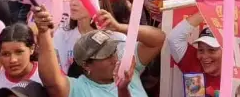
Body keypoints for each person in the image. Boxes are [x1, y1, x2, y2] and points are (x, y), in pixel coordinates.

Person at [34, 6, 165, 97]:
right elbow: (51, 80)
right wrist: (44, 32)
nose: (115, 59)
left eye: (113, 51)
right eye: (106, 55)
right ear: (86, 65)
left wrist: (119, 27)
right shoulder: (77, 89)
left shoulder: (126, 67)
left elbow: (158, 39)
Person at [0, 23, 41, 88]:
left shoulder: (47, 77)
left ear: (32, 48)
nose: (12, 60)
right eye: (6, 54)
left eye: (19, 52)